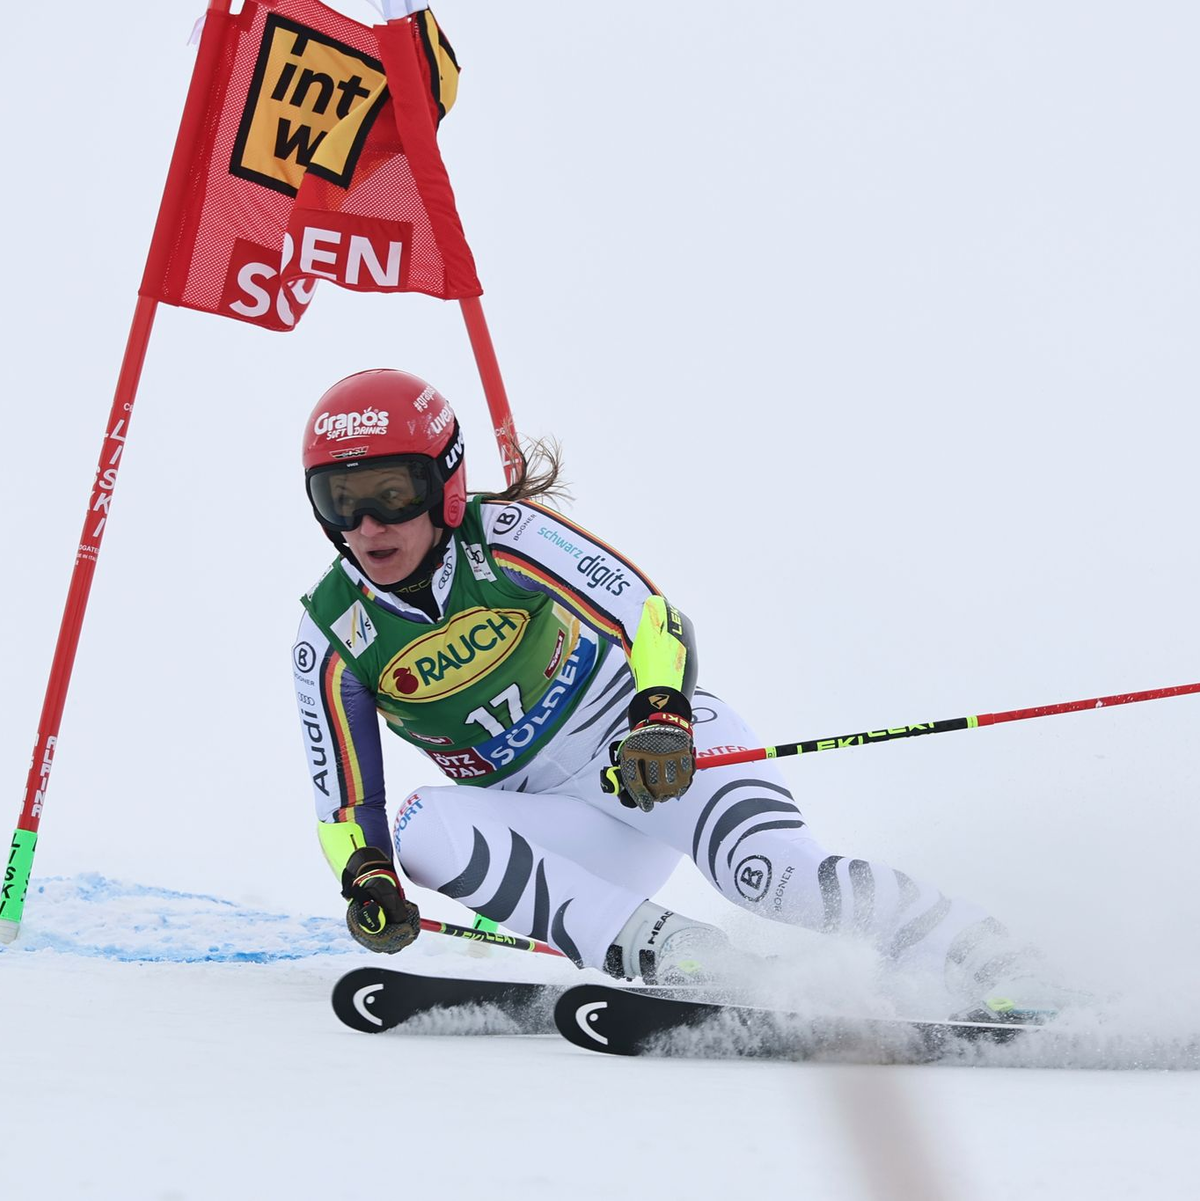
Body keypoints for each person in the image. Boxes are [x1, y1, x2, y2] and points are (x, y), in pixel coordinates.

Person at [292, 368, 1041, 1016]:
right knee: (421, 826)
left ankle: (996, 959)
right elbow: (345, 806)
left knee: (772, 878)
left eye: (391, 494)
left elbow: (651, 616)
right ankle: (676, 951)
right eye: (339, 500)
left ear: (442, 484)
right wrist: (368, 875)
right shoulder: (331, 634)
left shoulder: (508, 536)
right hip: (567, 832)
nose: (365, 525)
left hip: (651, 761)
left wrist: (661, 711)